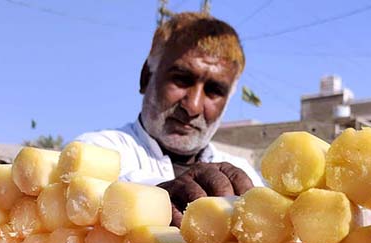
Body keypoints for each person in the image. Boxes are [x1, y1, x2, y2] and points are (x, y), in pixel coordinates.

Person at [75, 12, 263, 225]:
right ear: (146, 77)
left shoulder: (244, 174)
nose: (192, 106)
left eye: (213, 91)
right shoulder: (96, 150)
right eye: (181, 80)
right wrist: (161, 196)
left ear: (227, 101)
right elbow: (90, 202)